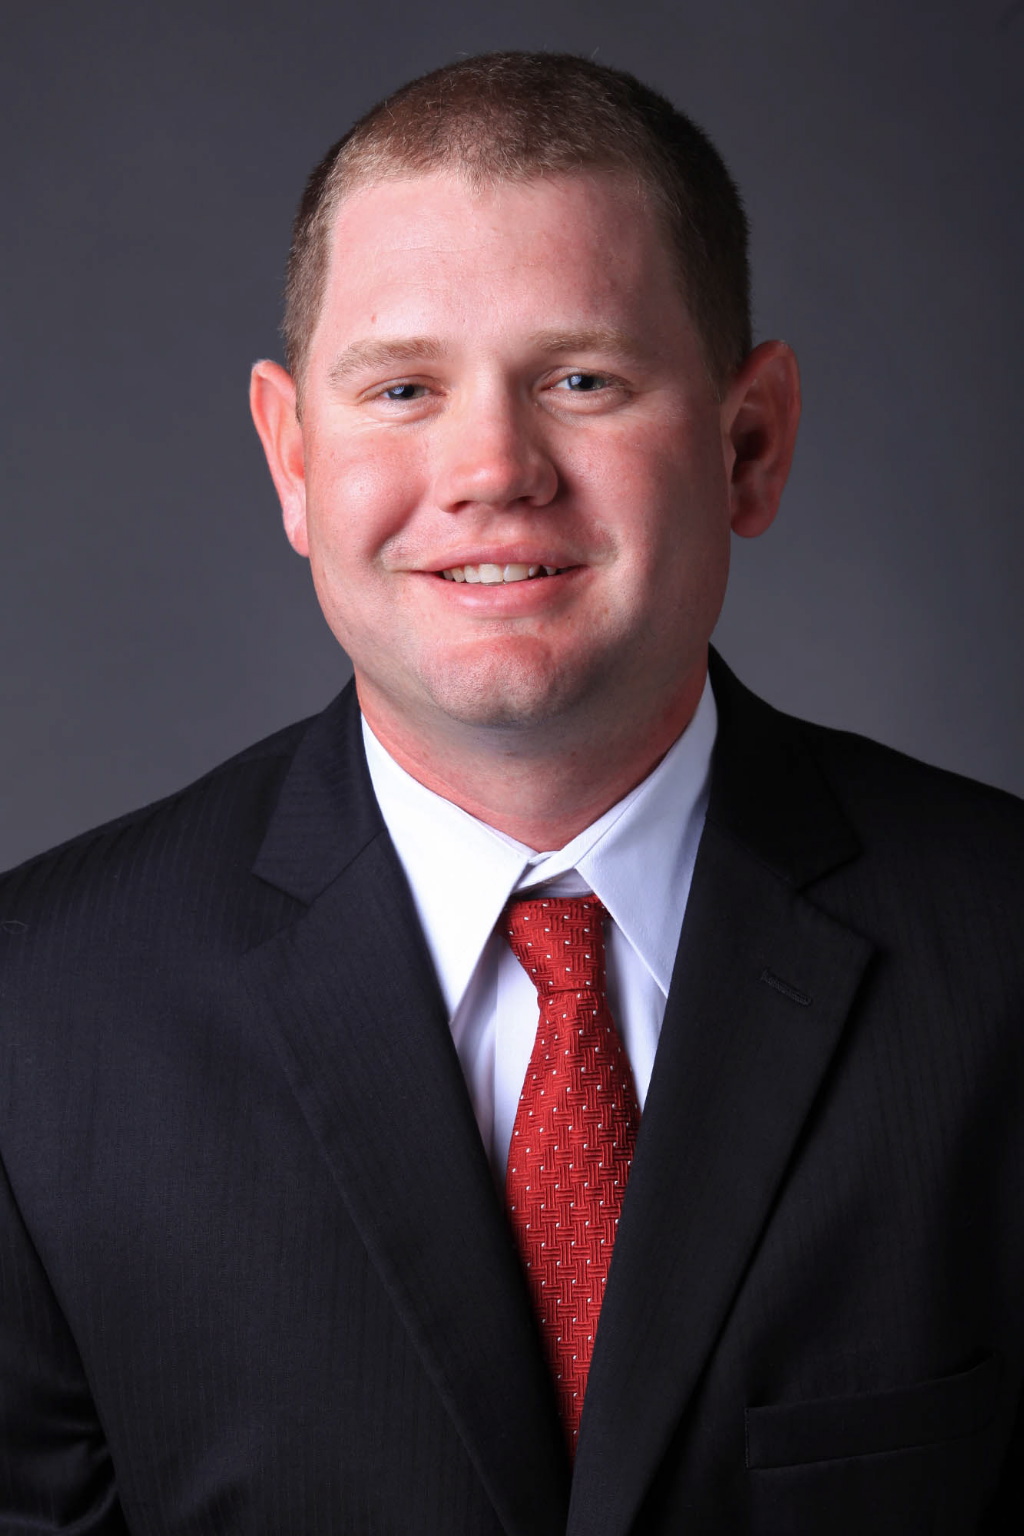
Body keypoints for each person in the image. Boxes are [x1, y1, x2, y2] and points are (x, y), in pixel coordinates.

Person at [0, 50, 1021, 1536]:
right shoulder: (35, 1024)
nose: (492, 469)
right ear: (294, 459)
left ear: (749, 442)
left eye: (582, 380)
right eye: (403, 388)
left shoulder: (998, 954)